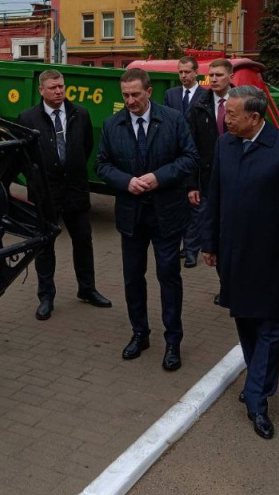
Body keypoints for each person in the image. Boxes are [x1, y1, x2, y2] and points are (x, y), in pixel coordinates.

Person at [202, 87, 279, 439]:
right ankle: (257, 384)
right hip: (233, 254)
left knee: (271, 327)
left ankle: (257, 398)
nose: (226, 119)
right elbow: (215, 195)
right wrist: (209, 243)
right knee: (246, 322)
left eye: (232, 114)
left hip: (272, 259)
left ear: (254, 117)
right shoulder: (225, 145)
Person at [97, 68, 198, 371]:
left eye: (136, 95)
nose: (130, 101)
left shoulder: (173, 120)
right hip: (131, 216)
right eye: (125, 95)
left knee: (168, 277)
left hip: (166, 214)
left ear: (149, 92)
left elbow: (190, 158)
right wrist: (126, 181)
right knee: (132, 278)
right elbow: (102, 165)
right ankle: (140, 333)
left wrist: (159, 177)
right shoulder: (112, 124)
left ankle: (173, 341)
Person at [18, 70, 112, 320]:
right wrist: (38, 181)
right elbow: (23, 157)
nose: (59, 91)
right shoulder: (27, 118)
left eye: (61, 86)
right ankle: (46, 297)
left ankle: (87, 289)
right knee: (44, 244)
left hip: (75, 190)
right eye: (53, 88)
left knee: (83, 241)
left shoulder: (80, 114)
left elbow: (85, 146)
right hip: (45, 194)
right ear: (42, 91)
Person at [185, 58, 233, 276]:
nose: (213, 79)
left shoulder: (243, 101)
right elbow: (190, 148)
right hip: (207, 178)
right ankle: (194, 252)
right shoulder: (199, 106)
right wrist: (192, 185)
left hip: (236, 176)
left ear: (231, 76)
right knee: (206, 222)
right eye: (211, 75)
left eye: (219, 75)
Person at [163, 55, 203, 266]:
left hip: (196, 157)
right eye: (180, 72)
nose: (184, 76)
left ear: (196, 72)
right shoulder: (171, 94)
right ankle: (181, 244)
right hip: (175, 156)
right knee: (178, 203)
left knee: (195, 204)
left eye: (187, 72)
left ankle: (192, 249)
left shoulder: (205, 95)